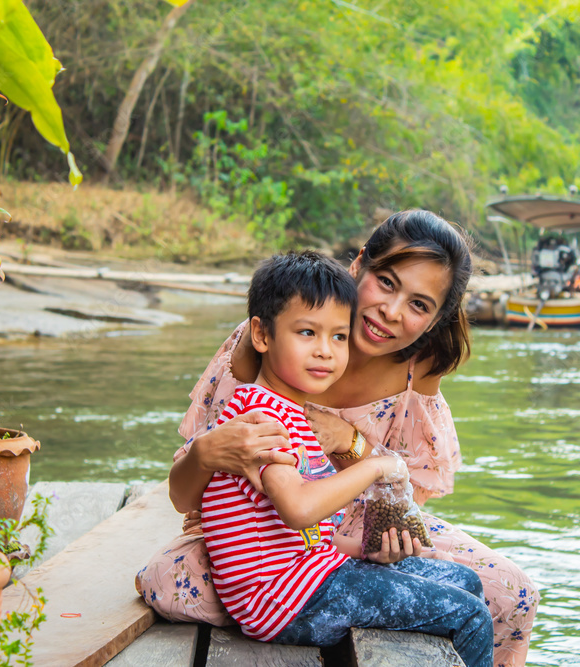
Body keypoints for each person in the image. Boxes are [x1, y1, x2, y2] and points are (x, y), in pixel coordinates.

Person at [136, 210, 540, 667]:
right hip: (270, 535)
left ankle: (356, 607)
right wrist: (207, 453)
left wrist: (349, 442)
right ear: (359, 265)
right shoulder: (276, 337)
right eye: (386, 282)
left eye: (419, 305)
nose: (391, 311)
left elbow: (410, 491)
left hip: (353, 526)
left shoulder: (419, 366)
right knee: (172, 578)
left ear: (434, 320)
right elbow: (201, 487)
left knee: (513, 592)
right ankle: (331, 615)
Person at [198, 250, 492, 665]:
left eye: (339, 337)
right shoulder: (265, 419)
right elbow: (298, 509)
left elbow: (300, 538)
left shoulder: (292, 410)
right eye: (307, 334)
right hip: (281, 600)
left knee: (465, 581)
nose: (326, 352)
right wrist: (375, 465)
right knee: (470, 617)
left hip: (308, 574)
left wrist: (362, 550)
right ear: (262, 336)